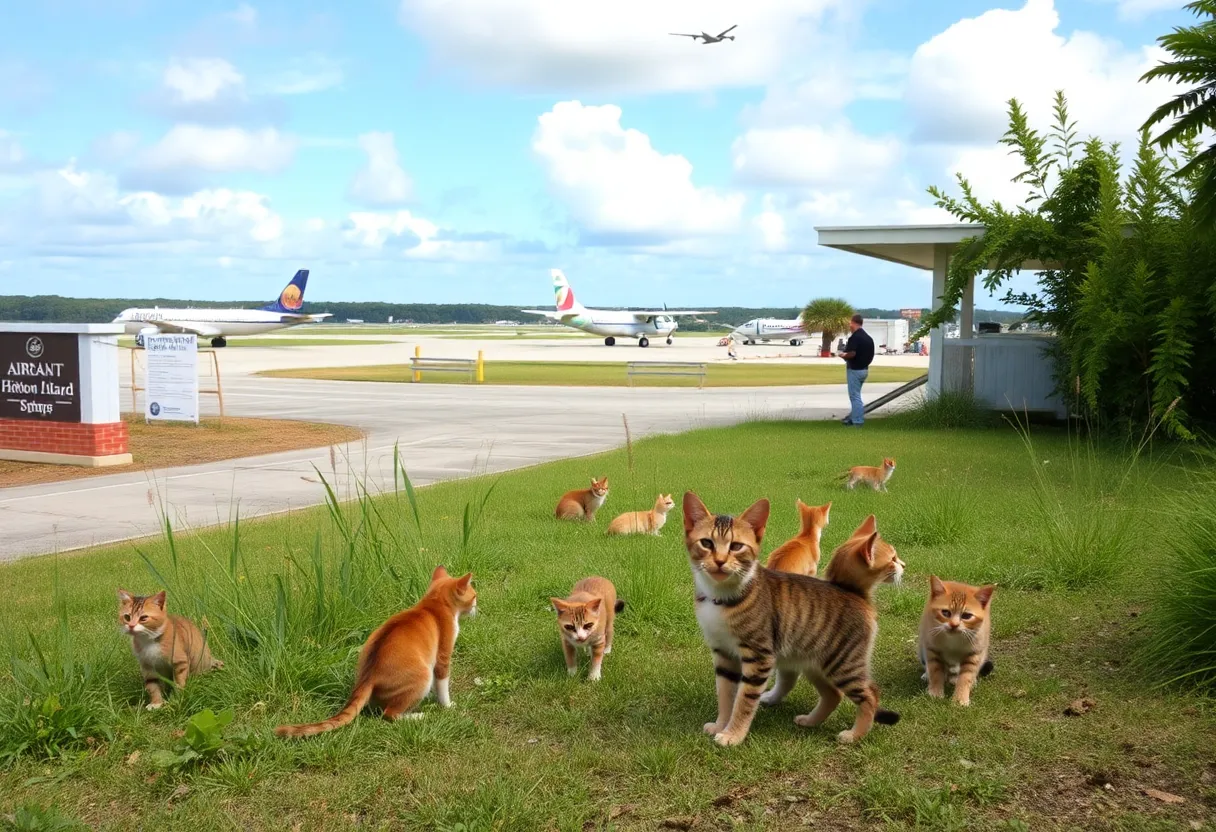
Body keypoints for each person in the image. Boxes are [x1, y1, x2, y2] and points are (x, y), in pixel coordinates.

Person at [840, 314, 874, 426]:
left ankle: (858, 421)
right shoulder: (868, 338)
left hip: (855, 370)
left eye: (850, 322)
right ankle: (853, 417)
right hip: (864, 369)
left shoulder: (854, 337)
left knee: (855, 397)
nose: (849, 325)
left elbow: (852, 353)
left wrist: (843, 355)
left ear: (854, 323)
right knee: (856, 395)